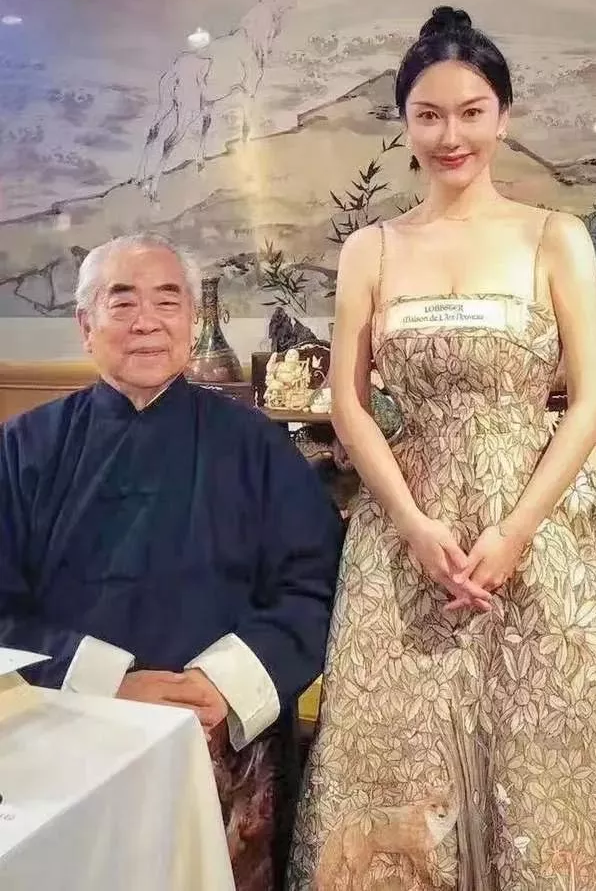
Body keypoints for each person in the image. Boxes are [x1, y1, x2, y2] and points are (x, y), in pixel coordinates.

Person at [287, 7, 596, 890]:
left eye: (472, 112)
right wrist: (411, 523)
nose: (452, 136)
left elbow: (590, 403)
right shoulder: (371, 248)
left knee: (554, 759)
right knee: (402, 764)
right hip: (409, 534)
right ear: (405, 123)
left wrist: (515, 532)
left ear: (503, 116)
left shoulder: (554, 235)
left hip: (541, 529)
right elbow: (349, 403)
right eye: (430, 115)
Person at [0, 232, 344, 891]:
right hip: (67, 736)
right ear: (85, 326)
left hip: (223, 743)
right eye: (122, 301)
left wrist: (222, 686)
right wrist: (107, 682)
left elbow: (315, 584)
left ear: (191, 320)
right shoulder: (23, 448)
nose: (147, 321)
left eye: (167, 300)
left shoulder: (256, 445)